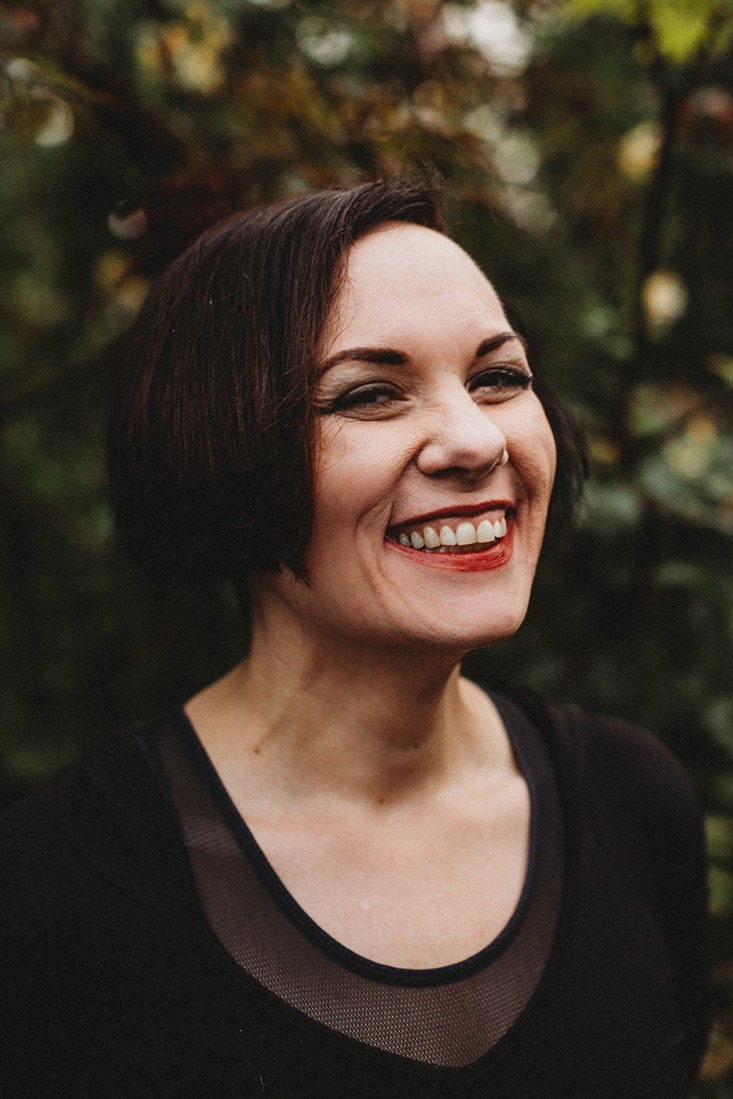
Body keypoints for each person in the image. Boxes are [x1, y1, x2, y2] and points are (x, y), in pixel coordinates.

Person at [0, 180, 709, 1096]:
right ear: (217, 448)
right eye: (372, 393)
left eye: (499, 377)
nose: (473, 440)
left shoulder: (631, 800)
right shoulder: (56, 888)